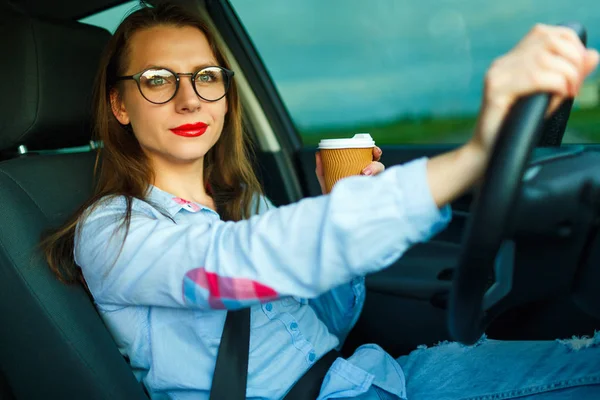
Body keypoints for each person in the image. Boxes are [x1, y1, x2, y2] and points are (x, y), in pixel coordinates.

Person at [42, 1, 600, 399]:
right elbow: (238, 263)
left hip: (377, 377)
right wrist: (474, 155)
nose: (190, 99)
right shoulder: (112, 232)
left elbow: (325, 325)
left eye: (206, 77)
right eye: (159, 80)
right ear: (120, 104)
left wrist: (343, 205)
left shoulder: (243, 200)